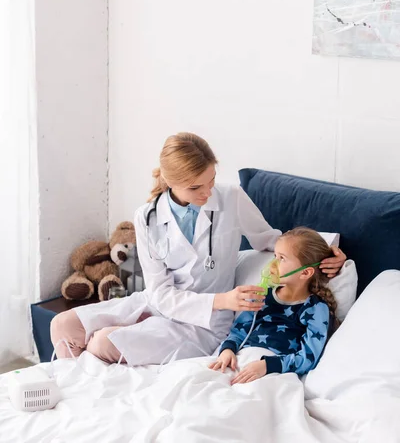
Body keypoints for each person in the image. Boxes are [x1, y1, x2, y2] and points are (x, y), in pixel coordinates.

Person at [51, 133, 346, 367]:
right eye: (196, 188)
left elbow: (270, 240)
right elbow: (159, 293)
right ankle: (74, 390)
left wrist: (328, 251)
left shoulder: (231, 197)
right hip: (160, 304)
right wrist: (222, 299)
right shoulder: (147, 217)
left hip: (205, 324)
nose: (207, 193)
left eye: (211, 181)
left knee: (102, 343)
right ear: (170, 182)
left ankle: (85, 390)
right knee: (62, 325)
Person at [209, 227, 339, 384]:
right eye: (275, 256)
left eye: (282, 258)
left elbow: (309, 356)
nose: (273, 264)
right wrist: (228, 349)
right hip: (239, 359)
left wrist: (267, 366)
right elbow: (239, 331)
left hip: (274, 370)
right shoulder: (263, 295)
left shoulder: (315, 308)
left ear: (305, 273)